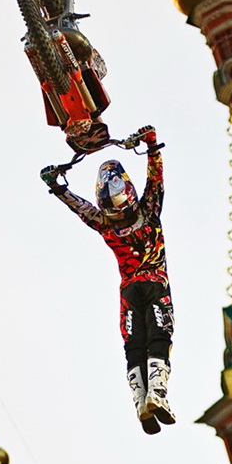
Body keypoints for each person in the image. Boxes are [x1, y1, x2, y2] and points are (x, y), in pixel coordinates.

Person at [41, 125, 174, 435]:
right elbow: (156, 180)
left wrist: (58, 187)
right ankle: (158, 394)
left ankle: (140, 401)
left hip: (128, 291)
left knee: (133, 344)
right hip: (155, 283)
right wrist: (151, 145)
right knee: (160, 335)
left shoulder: (104, 224)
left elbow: (81, 208)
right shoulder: (148, 211)